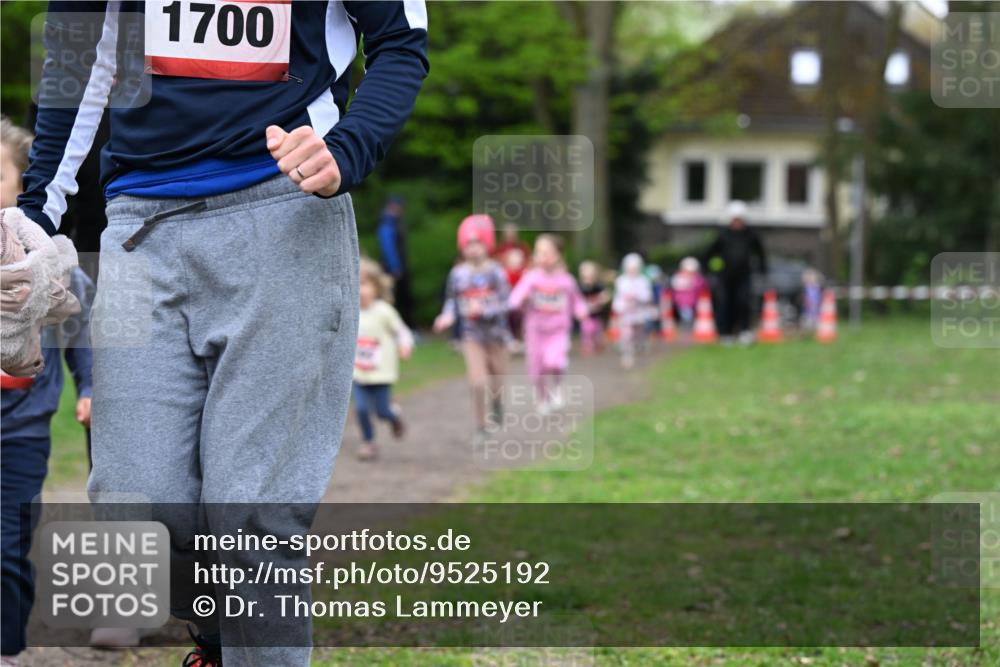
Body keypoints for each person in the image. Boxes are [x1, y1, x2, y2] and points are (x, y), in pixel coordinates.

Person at [15, 3, 428, 665]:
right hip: (135, 230)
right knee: (135, 507)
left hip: (286, 208)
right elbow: (78, 60)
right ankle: (212, 631)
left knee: (255, 517)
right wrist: (36, 212)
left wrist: (347, 147)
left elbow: (402, 40)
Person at [1, 117, 93, 667]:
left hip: (22, 420)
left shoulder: (49, 260)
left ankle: (7, 648)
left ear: (22, 183)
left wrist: (91, 388)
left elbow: (81, 331)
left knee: (8, 542)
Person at [433, 215, 510, 443]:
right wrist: (446, 316)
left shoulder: (496, 271)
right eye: (468, 244)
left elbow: (507, 302)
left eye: (478, 243)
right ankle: (481, 425)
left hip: (496, 335)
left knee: (497, 379)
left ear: (488, 244)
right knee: (477, 382)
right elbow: (452, 301)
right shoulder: (458, 274)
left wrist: (484, 309)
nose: (473, 249)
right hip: (471, 335)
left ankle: (497, 405)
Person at [508, 235, 588, 414]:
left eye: (547, 253)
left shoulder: (566, 280)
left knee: (555, 362)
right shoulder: (532, 278)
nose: (542, 257)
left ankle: (558, 387)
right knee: (537, 370)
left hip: (558, 330)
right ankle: (543, 398)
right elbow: (515, 297)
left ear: (558, 255)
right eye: (539, 252)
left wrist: (581, 311)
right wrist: (519, 301)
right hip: (535, 331)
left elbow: (577, 301)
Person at [352, 258, 413, 462]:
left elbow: (402, 331)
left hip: (381, 373)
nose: (360, 291)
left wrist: (405, 345)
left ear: (376, 287)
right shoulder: (351, 313)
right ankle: (368, 442)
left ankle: (394, 417)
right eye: (355, 284)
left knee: (382, 411)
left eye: (364, 285)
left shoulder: (384, 311)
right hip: (358, 372)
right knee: (360, 408)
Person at [703, 200, 768, 345]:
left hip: (744, 275)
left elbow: (760, 253)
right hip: (725, 277)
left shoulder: (750, 235)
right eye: (735, 220)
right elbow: (709, 254)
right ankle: (726, 333)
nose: (737, 223)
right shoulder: (723, 235)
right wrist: (708, 271)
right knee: (726, 303)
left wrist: (763, 271)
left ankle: (745, 331)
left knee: (743, 302)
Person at [377, 195, 414, 326]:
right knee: (397, 298)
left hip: (397, 267)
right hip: (394, 269)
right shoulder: (387, 222)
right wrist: (395, 268)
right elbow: (388, 247)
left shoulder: (393, 221)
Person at [612, 253, 654, 369]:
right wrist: (620, 307)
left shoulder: (643, 281)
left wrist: (637, 297)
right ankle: (627, 354)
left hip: (639, 313)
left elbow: (647, 296)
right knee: (627, 334)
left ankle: (640, 346)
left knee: (638, 332)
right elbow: (618, 297)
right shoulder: (621, 281)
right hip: (626, 313)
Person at [578, 260, 610, 356]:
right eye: (586, 275)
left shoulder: (598, 286)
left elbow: (606, 294)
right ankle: (587, 345)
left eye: (590, 275)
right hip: (586, 315)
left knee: (597, 330)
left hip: (596, 314)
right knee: (586, 330)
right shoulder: (580, 287)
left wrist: (601, 299)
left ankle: (598, 343)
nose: (588, 278)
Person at [671, 256, 707, 331]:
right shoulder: (679, 278)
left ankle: (687, 333)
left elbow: (702, 285)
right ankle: (685, 333)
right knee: (687, 318)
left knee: (689, 319)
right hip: (683, 303)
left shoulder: (696, 278)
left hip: (693, 303)